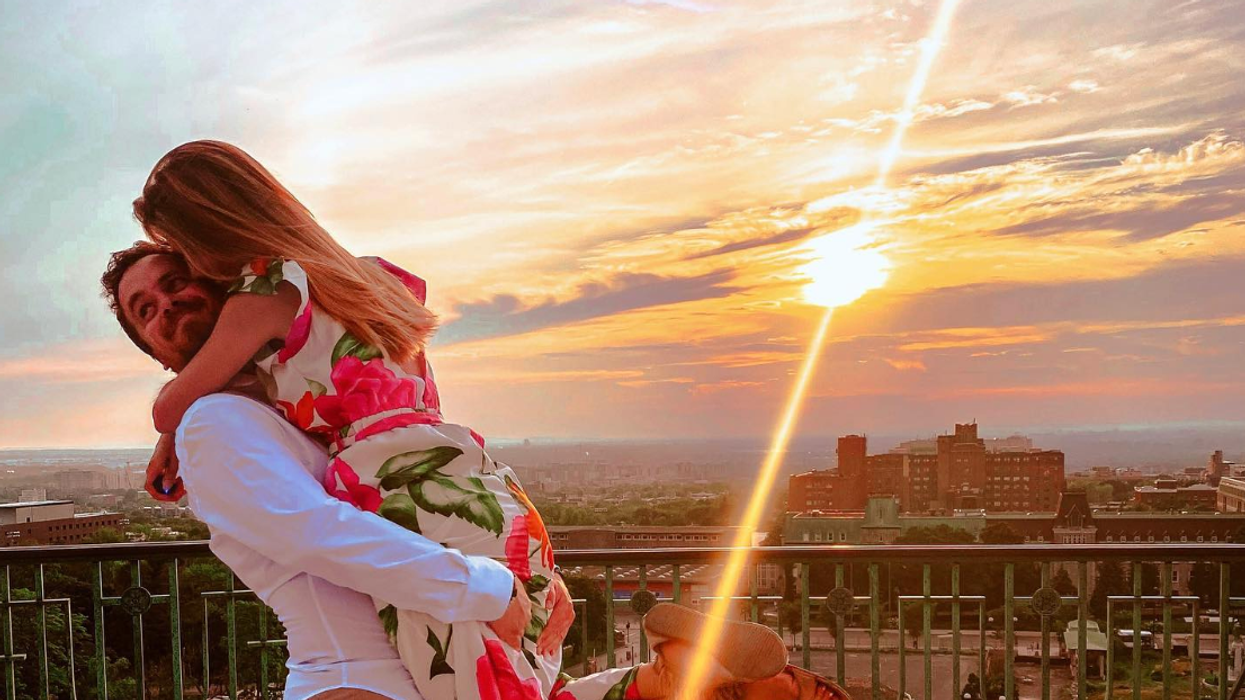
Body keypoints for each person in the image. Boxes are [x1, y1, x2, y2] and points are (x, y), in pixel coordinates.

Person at [106, 142, 844, 700]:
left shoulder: (259, 394)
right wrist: (492, 583)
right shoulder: (323, 321)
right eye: (147, 311)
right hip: (470, 487)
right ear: (149, 348)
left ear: (212, 268)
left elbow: (314, 529)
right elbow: (303, 515)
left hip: (406, 578)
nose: (168, 306)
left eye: (177, 284)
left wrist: (487, 590)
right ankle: (673, 679)